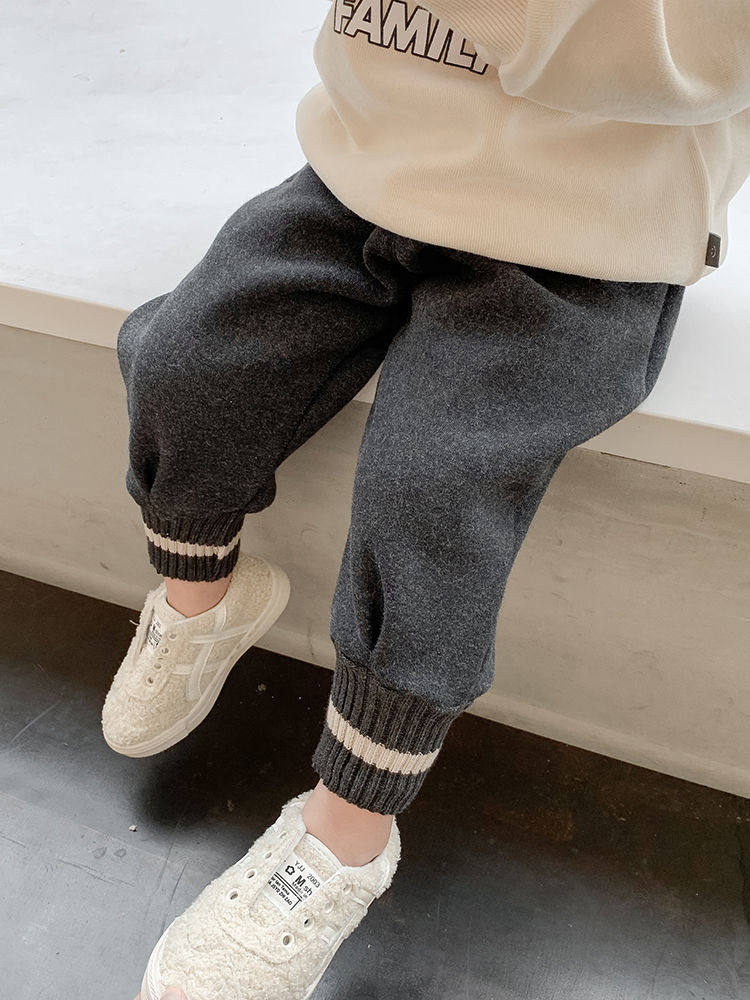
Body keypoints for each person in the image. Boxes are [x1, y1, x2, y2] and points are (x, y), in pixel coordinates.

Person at [102, 2, 750, 998]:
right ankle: (201, 599)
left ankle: (346, 833)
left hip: (584, 228)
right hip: (370, 169)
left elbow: (702, 57)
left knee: (434, 483)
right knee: (185, 360)